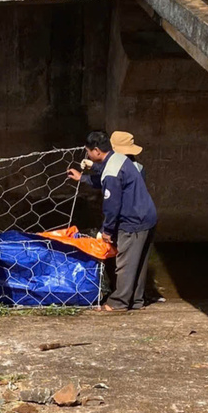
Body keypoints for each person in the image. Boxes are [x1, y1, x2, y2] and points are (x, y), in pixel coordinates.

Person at [68, 130, 157, 311]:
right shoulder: (121, 160)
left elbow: (112, 205)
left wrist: (107, 230)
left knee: (125, 263)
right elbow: (106, 174)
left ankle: (119, 302)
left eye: (88, 152)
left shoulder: (112, 173)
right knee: (138, 262)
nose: (88, 155)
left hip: (133, 221)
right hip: (148, 216)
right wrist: (84, 176)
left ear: (97, 151)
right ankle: (136, 300)